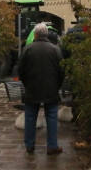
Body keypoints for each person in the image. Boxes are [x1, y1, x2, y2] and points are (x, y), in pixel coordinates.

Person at [18, 23, 65, 155]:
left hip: (32, 89)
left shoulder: (27, 49)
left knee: (30, 117)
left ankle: (29, 145)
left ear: (36, 35)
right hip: (51, 89)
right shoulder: (55, 50)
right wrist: (56, 86)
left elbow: (20, 70)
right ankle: (52, 146)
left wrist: (27, 84)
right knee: (51, 118)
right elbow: (62, 71)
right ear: (47, 35)